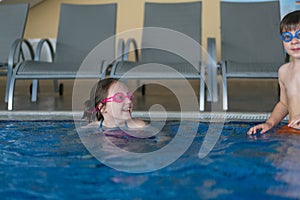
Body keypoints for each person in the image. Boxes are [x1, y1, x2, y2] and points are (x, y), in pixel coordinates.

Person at [248, 10, 300, 135]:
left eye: (299, 35)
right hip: (293, 130)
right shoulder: (284, 71)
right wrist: (270, 123)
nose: (294, 41)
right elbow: (284, 104)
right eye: (287, 37)